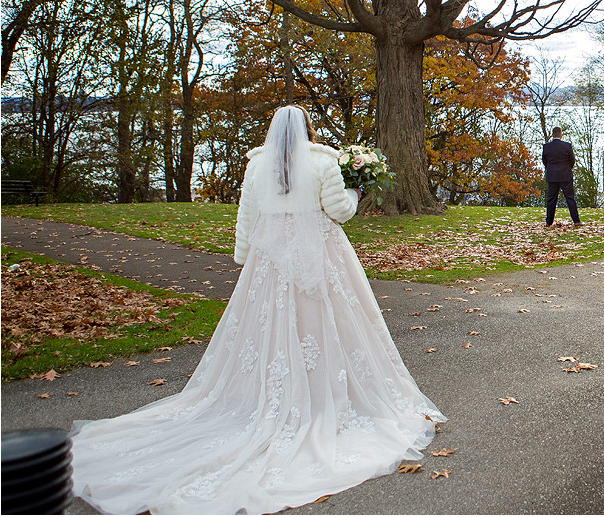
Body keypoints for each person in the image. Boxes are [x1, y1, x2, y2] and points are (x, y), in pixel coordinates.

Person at [69, 106, 444, 514]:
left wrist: (243, 256)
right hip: (318, 258)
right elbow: (338, 212)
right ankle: (322, 398)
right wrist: (355, 192)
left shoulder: (255, 166)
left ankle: (270, 396)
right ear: (306, 129)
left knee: (267, 329)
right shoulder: (324, 161)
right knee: (324, 326)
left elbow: (246, 217)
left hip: (269, 261)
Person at [541, 126, 581, 227]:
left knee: (551, 200)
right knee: (570, 198)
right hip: (565, 175)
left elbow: (544, 161)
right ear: (561, 135)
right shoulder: (567, 146)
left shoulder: (546, 147)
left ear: (552, 135)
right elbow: (572, 160)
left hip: (552, 176)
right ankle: (576, 221)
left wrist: (551, 169)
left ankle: (548, 222)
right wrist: (567, 168)